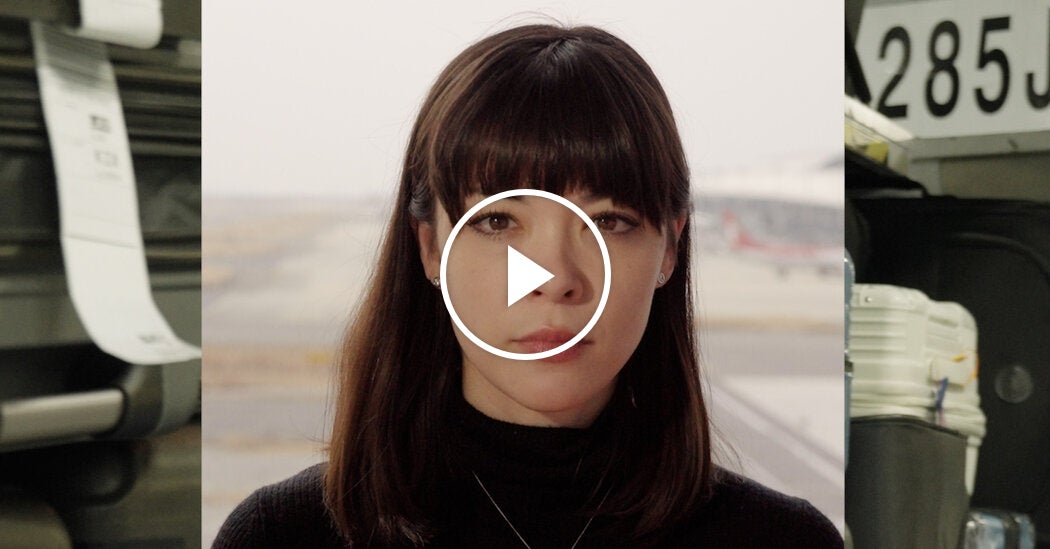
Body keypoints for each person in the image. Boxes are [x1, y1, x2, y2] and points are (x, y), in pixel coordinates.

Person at [214, 23, 842, 548]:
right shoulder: (281, 535)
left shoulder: (784, 540)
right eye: (498, 221)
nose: (556, 279)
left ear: (670, 250)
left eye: (609, 221)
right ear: (429, 247)